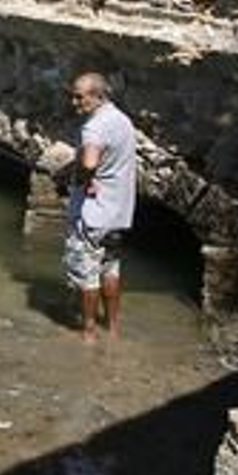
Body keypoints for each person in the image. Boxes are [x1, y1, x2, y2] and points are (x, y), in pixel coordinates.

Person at [63, 71, 138, 342]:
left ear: (97, 96)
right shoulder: (123, 121)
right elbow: (107, 162)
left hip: (93, 215)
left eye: (79, 97)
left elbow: (91, 161)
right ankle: (114, 328)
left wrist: (81, 181)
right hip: (118, 214)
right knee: (111, 269)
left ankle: (89, 332)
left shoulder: (93, 127)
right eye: (72, 96)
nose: (74, 102)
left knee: (87, 275)